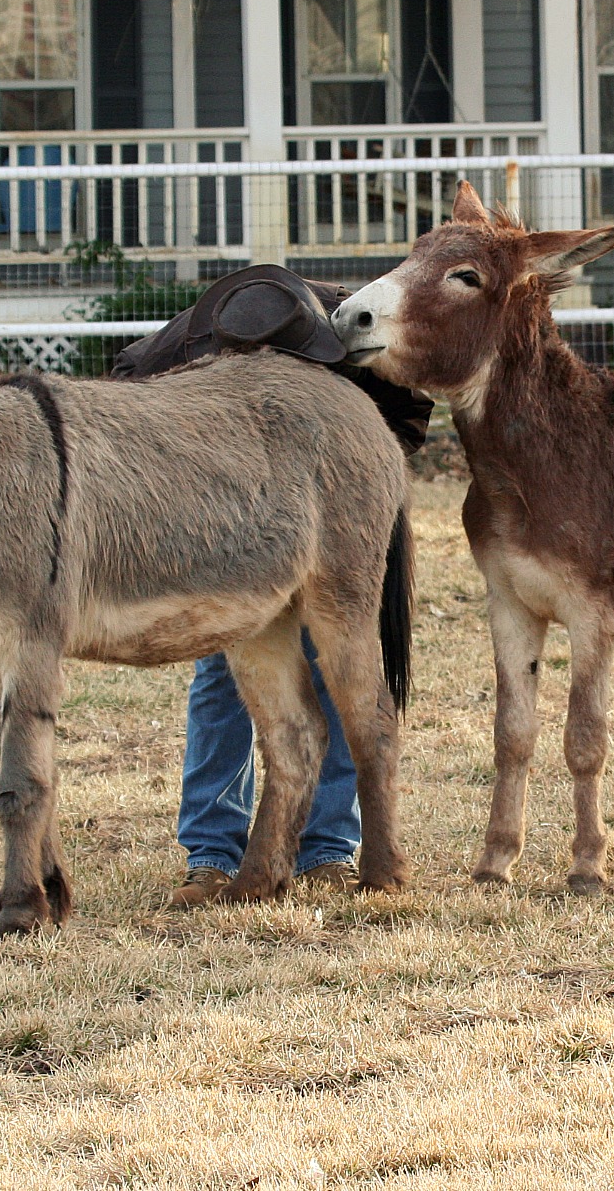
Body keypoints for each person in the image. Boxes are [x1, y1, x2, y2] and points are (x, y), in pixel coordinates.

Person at [105, 265, 432, 904]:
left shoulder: (352, 328)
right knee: (220, 675)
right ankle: (212, 852)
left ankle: (328, 846)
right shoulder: (164, 359)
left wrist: (349, 478)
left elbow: (408, 415)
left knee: (337, 664)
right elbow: (131, 431)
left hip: (324, 488)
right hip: (222, 512)